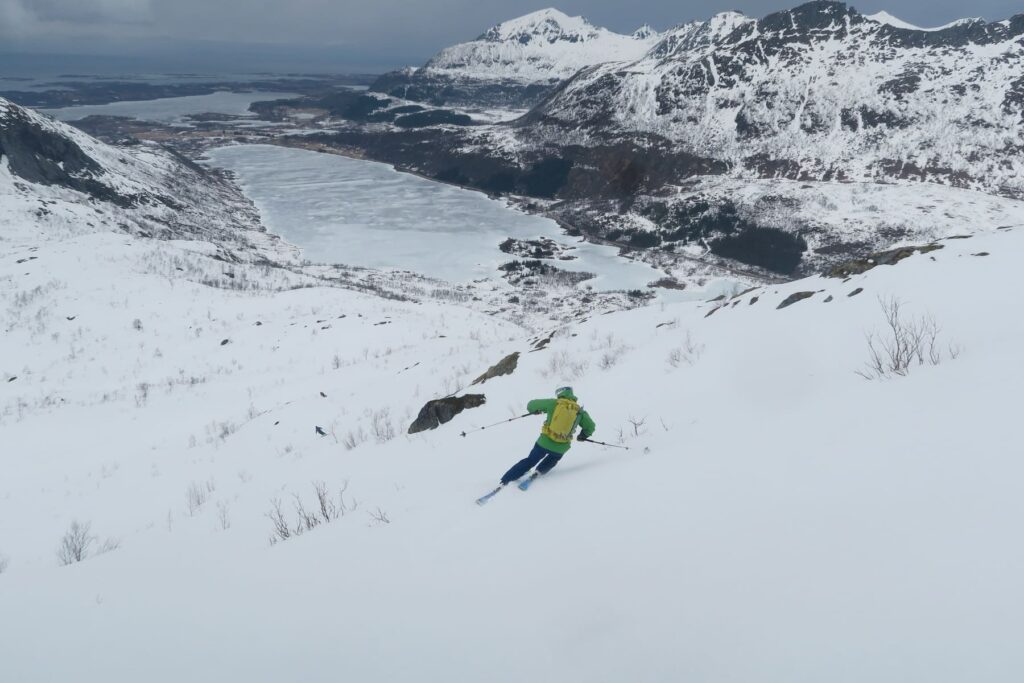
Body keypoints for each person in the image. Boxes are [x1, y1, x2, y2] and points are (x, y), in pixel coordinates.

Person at [499, 386, 596, 487]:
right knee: (552, 460)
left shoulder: (553, 403)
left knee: (530, 460)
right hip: (561, 448)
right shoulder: (580, 411)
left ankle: (505, 480)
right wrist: (583, 435)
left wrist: (538, 410)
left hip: (543, 443)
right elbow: (591, 427)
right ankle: (539, 472)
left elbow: (530, 405)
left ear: (559, 393)